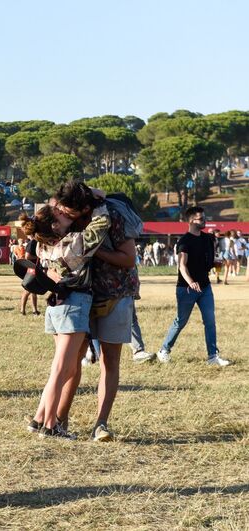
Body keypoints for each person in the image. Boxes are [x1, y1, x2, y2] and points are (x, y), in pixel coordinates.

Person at [21, 183, 111, 439]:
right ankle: (50, 425)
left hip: (56, 307)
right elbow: (101, 225)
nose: (64, 213)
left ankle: (39, 418)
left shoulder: (42, 245)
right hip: (74, 304)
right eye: (60, 214)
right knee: (61, 370)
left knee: (64, 369)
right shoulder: (71, 244)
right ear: (55, 226)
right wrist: (98, 201)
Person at [55, 185, 141, 442]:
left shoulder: (112, 216)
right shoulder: (67, 219)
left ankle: (101, 424)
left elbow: (128, 259)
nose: (63, 214)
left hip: (116, 294)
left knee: (109, 361)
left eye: (68, 211)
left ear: (84, 208)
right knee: (72, 360)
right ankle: (59, 420)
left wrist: (92, 249)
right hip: (81, 296)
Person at [153, 207, 232, 366]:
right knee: (181, 321)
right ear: (191, 221)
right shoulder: (184, 241)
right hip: (186, 288)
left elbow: (208, 260)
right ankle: (164, 350)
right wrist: (191, 282)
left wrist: (216, 263)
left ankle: (212, 356)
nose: (204, 221)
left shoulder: (208, 239)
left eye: (204, 217)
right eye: (200, 218)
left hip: (205, 287)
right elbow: (182, 265)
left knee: (210, 321)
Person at [20, 234, 40, 315]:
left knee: (33, 290)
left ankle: (35, 310)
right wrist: (39, 257)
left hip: (36, 268)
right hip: (31, 269)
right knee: (27, 290)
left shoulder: (37, 242)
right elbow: (27, 256)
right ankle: (22, 310)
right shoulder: (32, 243)